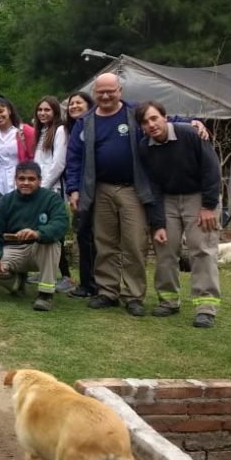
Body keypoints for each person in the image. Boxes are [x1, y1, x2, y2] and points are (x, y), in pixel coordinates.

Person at [65, 73, 161, 316]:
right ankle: (107, 291)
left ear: (120, 90)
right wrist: (74, 189)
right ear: (94, 93)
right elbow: (74, 158)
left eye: (111, 91)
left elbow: (159, 120)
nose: (106, 96)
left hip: (132, 188)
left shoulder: (134, 113)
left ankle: (134, 296)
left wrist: (193, 122)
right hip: (100, 189)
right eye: (101, 92)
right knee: (104, 243)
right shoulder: (85, 122)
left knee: (134, 243)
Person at [136, 101, 222, 328]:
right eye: (145, 122)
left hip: (199, 197)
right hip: (167, 199)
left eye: (154, 118)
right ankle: (168, 301)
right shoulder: (145, 147)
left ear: (165, 117)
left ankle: (206, 307)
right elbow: (152, 185)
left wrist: (208, 206)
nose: (151, 125)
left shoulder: (189, 134)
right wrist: (158, 223)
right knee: (165, 249)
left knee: (202, 249)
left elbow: (211, 168)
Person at [0, 161, 69, 312]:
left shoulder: (51, 199)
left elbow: (60, 224)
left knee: (52, 243)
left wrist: (38, 233)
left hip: (39, 250)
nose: (26, 183)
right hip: (13, 249)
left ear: (39, 180)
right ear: (15, 180)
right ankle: (16, 282)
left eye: (31, 179)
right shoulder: (6, 200)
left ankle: (45, 294)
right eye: (21, 179)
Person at [33, 95, 73, 293]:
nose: (43, 113)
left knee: (55, 232)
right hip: (40, 188)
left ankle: (66, 276)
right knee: (42, 229)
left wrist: (43, 186)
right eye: (40, 110)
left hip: (52, 189)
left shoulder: (59, 130)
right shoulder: (41, 132)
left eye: (47, 110)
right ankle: (44, 271)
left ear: (55, 111)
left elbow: (59, 163)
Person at [64, 91, 98, 299]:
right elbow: (72, 162)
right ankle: (87, 283)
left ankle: (102, 284)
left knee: (102, 239)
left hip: (99, 188)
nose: (74, 106)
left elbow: (151, 113)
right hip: (80, 190)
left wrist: (190, 121)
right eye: (71, 104)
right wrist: (73, 189)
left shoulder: (96, 122)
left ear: (89, 105)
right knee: (84, 235)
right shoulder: (73, 128)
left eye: (79, 103)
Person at [0, 96, 35, 195]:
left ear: (9, 110)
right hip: (0, 180)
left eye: (1, 111)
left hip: (21, 178)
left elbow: (34, 157)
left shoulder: (25, 131)